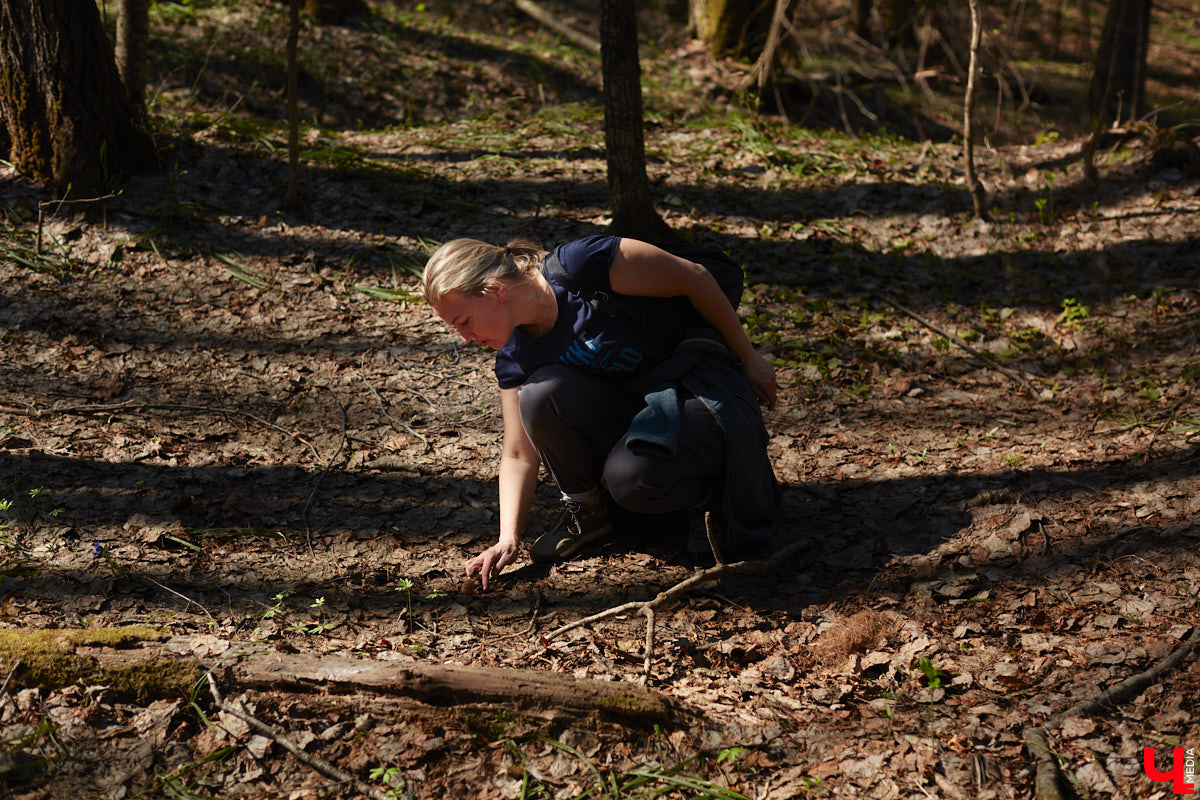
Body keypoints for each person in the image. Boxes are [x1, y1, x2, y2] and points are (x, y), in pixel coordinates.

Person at [421, 235, 781, 589]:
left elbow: (695, 277)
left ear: (495, 290)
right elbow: (517, 452)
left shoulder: (584, 264)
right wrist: (508, 538)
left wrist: (749, 358)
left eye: (464, 320)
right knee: (539, 393)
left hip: (696, 388)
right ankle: (590, 513)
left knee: (633, 478)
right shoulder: (516, 355)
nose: (465, 337)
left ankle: (712, 500)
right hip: (638, 411)